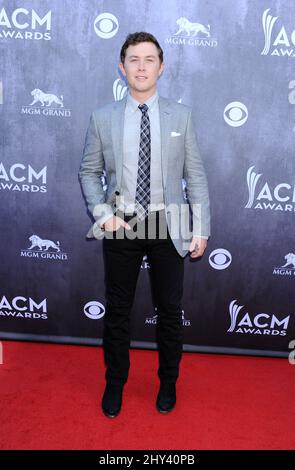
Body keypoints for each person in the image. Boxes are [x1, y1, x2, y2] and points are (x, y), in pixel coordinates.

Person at [79, 32, 210, 418]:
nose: (141, 66)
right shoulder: (102, 117)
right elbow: (89, 172)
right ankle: (115, 383)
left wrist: (200, 228)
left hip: (168, 225)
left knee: (169, 310)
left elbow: (196, 176)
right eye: (133, 59)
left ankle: (168, 381)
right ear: (122, 67)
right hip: (122, 225)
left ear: (161, 67)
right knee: (118, 310)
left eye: (149, 59)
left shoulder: (181, 116)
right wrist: (104, 216)